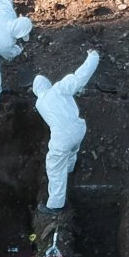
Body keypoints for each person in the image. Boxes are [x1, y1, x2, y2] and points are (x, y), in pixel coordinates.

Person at [33, 50, 100, 215]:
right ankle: (70, 168)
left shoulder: (39, 103)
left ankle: (55, 205)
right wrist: (93, 57)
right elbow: (80, 77)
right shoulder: (58, 89)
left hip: (63, 136)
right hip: (79, 129)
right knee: (72, 149)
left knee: (55, 168)